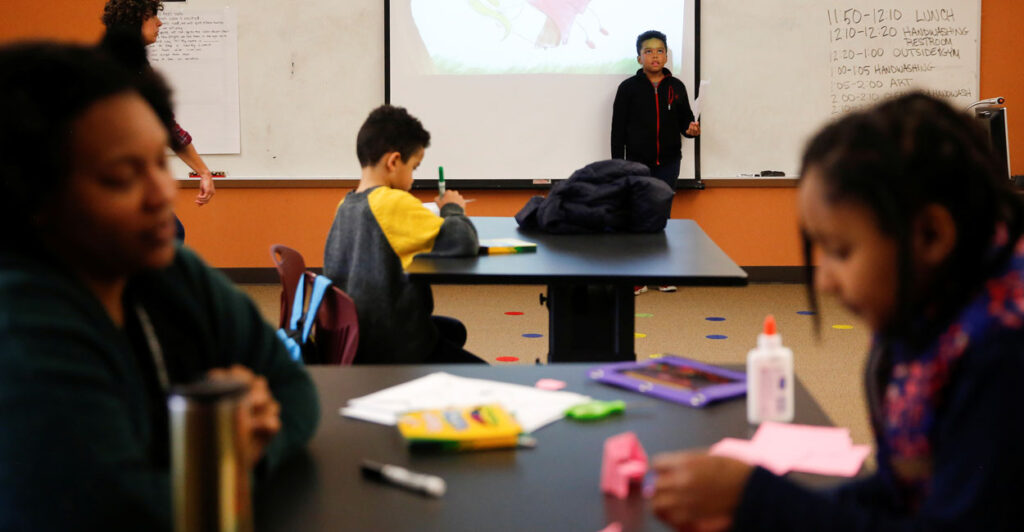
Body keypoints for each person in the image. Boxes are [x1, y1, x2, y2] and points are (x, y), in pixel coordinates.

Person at [650, 93, 1024, 531]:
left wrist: (758, 499)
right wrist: (751, 506)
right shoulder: (929, 304)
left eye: (841, 251)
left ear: (931, 234)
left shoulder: (1001, 350)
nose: (823, 280)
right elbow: (900, 489)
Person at [0, 42, 319, 530]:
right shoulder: (20, 325)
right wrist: (223, 461)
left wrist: (245, 451)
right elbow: (127, 515)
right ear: (34, 195)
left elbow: (295, 391)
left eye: (160, 163)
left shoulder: (172, 272)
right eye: (123, 177)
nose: (162, 192)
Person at [323, 105, 484, 364]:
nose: (412, 179)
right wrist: (453, 209)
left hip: (357, 335)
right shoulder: (392, 202)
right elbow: (463, 242)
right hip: (392, 346)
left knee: (454, 330)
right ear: (394, 161)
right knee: (484, 373)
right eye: (414, 167)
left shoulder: (347, 203)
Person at [101, 0, 216, 240]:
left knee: (170, 234)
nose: (159, 22)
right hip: (104, 181)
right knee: (168, 234)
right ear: (135, 21)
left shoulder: (132, 65)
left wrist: (204, 173)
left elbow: (167, 128)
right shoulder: (119, 68)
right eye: (152, 16)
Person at [612, 30, 699, 295]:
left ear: (667, 55)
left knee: (662, 215)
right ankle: (637, 276)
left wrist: (692, 130)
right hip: (637, 163)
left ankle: (661, 273)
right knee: (638, 215)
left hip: (669, 161)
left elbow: (686, 122)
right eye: (648, 51)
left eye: (660, 50)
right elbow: (617, 130)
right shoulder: (628, 88)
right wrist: (619, 164)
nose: (655, 56)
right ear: (639, 58)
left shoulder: (677, 87)